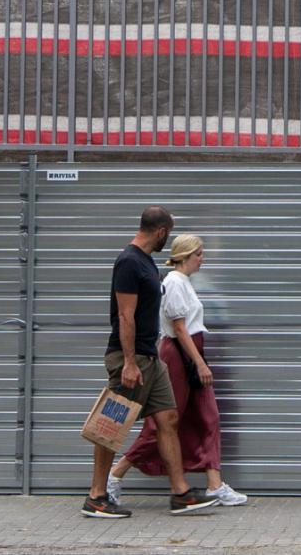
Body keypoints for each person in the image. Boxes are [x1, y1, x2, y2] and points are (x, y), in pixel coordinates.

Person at [83, 206, 217, 519]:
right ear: (159, 231)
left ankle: (180, 493)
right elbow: (125, 315)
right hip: (130, 358)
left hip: (151, 358)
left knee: (168, 418)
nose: (166, 241)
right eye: (166, 234)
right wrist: (128, 363)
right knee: (111, 423)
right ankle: (96, 496)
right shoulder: (129, 261)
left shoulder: (145, 262)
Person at [106, 234, 248, 507]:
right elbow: (180, 328)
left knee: (209, 417)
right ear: (185, 256)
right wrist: (200, 363)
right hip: (179, 356)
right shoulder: (173, 282)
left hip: (191, 352)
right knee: (162, 424)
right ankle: (115, 474)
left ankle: (214, 484)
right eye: (199, 254)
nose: (202, 259)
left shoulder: (184, 282)